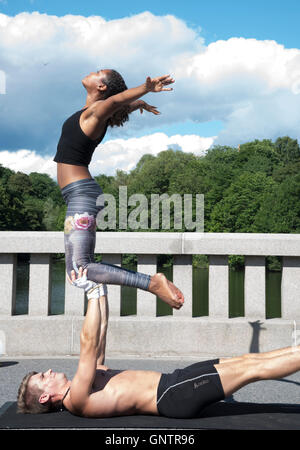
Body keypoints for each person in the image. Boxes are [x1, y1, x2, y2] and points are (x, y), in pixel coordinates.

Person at [17, 268, 300, 418]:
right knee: (253, 370)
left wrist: (99, 289)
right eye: (44, 377)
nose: (50, 372)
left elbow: (100, 331)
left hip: (175, 381)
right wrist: (90, 293)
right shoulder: (76, 398)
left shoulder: (87, 382)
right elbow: (87, 344)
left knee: (249, 362)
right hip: (173, 396)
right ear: (44, 397)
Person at [53, 68, 184, 310]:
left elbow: (114, 101)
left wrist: (145, 89)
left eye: (98, 72)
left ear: (101, 86)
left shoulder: (95, 113)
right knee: (80, 267)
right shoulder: (94, 114)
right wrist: (139, 103)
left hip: (82, 194)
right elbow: (118, 105)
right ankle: (151, 282)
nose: (92, 72)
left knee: (79, 268)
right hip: (78, 194)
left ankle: (152, 283)